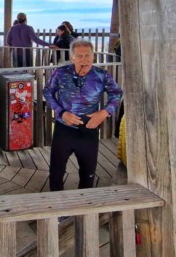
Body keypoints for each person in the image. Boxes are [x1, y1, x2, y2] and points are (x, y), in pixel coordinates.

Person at [43, 39, 122, 191]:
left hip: (89, 128)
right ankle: (59, 209)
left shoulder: (102, 75)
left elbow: (117, 93)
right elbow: (47, 92)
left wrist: (105, 112)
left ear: (93, 57)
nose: (84, 59)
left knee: (88, 173)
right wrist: (61, 112)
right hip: (64, 127)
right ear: (72, 58)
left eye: (87, 55)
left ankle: (85, 209)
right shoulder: (61, 73)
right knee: (56, 172)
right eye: (79, 56)